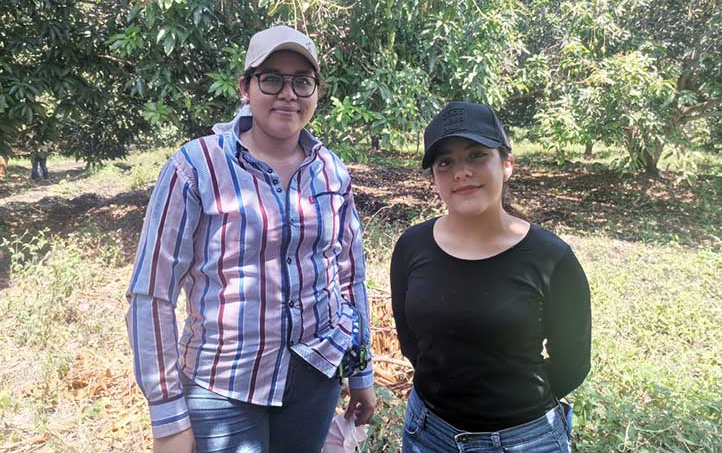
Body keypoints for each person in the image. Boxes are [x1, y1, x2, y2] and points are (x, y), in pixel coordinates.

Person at [126, 25, 376, 453]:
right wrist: (167, 417)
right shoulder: (197, 166)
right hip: (223, 387)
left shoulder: (331, 170)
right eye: (272, 78)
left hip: (317, 379)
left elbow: (349, 274)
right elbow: (152, 292)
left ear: (317, 92)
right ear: (245, 87)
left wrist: (361, 374)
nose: (288, 93)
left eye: (302, 80)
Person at [390, 102, 591, 453]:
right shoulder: (411, 246)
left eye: (476, 155)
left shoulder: (551, 258)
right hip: (428, 433)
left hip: (525, 439)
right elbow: (410, 341)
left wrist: (508, 408)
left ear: (507, 164)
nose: (461, 172)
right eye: (445, 162)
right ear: (434, 176)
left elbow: (572, 363)